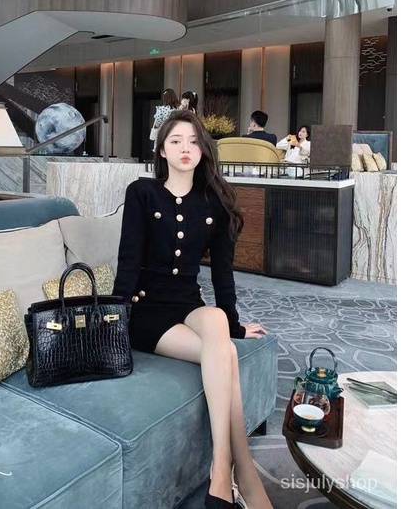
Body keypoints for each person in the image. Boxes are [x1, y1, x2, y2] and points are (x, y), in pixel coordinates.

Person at [114, 110, 273, 509]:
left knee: (218, 322)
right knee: (226, 355)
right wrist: (115, 318)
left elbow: (222, 274)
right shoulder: (142, 193)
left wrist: (234, 323)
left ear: (203, 150)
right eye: (175, 141)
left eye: (193, 141)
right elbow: (128, 261)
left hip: (188, 304)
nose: (185, 148)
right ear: (162, 151)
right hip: (148, 311)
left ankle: (223, 470)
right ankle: (236, 472)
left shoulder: (216, 203)